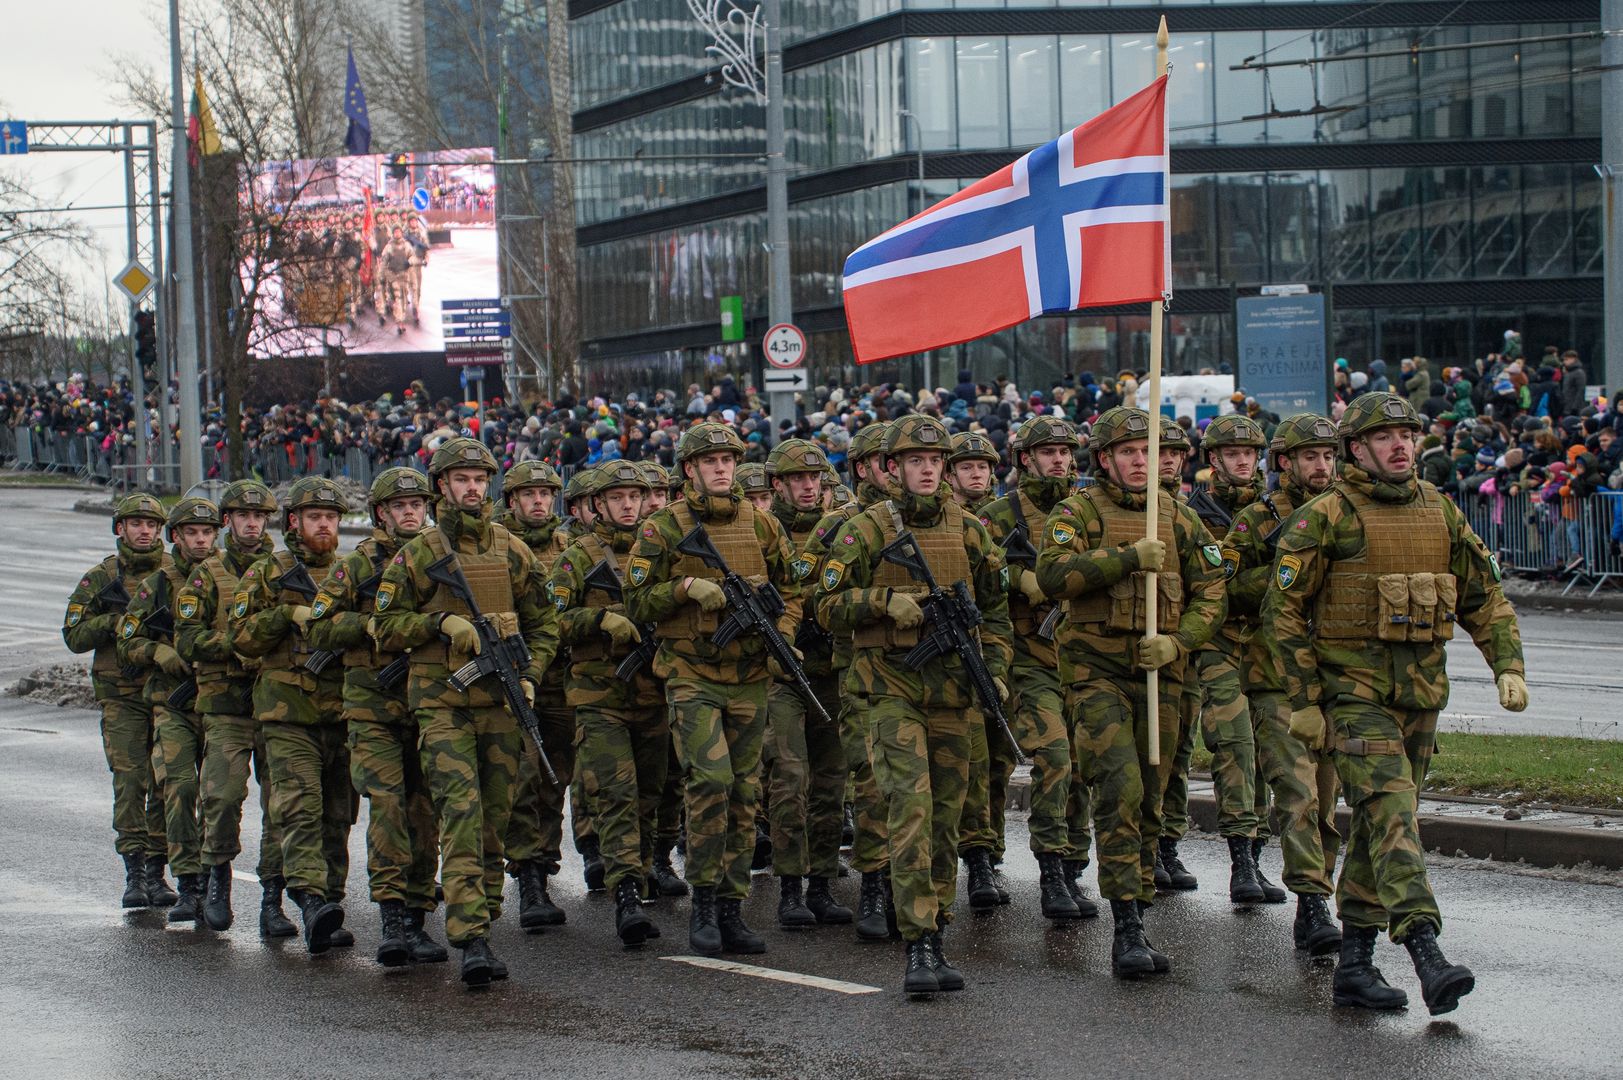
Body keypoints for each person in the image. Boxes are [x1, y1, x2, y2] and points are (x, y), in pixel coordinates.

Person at [1265, 392, 1527, 1016]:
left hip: (1421, 696)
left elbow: (1484, 596)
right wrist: (1304, 700)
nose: (1401, 445)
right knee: (1392, 813)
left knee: (1381, 830)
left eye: (1407, 434)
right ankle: (1425, 949)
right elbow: (1284, 616)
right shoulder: (1324, 518)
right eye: (1384, 437)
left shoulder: (1439, 510)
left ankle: (1354, 966)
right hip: (1353, 698)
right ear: (1357, 448)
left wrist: (1508, 665)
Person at [816, 415, 1012, 994]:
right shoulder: (865, 530)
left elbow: (995, 615)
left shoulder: (972, 532)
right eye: (915, 462)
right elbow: (823, 604)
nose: (926, 471)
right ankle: (918, 943)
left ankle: (938, 926)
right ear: (891, 469)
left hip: (954, 694)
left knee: (948, 818)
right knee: (912, 810)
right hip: (890, 689)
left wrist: (996, 672)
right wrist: (882, 602)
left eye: (935, 463)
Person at [1036, 407, 1225, 979]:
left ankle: (1138, 902)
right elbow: (1052, 575)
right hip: (1096, 675)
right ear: (1105, 460)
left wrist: (1179, 641)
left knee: (1152, 791)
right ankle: (1127, 926)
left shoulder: (1178, 517)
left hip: (1160, 675)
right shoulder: (1077, 512)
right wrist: (1125, 560)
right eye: (1128, 453)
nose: (1141, 462)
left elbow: (1212, 590)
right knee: (1118, 786)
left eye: (1147, 452)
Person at [374, 438, 560, 986]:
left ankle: (486, 919)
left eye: (479, 478)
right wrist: (438, 625)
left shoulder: (512, 550)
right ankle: (470, 937)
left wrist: (530, 675)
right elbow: (385, 626)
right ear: (442, 488)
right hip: (442, 704)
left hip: (501, 704)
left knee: (495, 819)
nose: (472, 488)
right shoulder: (420, 553)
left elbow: (545, 623)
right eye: (460, 479)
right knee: (461, 808)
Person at [623, 422, 800, 958]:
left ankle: (730, 905)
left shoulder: (763, 525)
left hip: (749, 677)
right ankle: (702, 899)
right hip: (691, 673)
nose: (721, 469)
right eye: (710, 461)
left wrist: (783, 633)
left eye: (727, 460)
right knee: (710, 781)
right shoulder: (662, 528)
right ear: (689, 471)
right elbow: (636, 602)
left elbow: (791, 589)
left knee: (745, 792)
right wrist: (682, 588)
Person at [306, 467, 447, 967]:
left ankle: (416, 916)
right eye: (399, 506)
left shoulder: (441, 559)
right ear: (381, 514)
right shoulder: (359, 564)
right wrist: (375, 626)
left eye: (417, 505)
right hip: (371, 705)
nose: (410, 513)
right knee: (387, 807)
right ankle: (391, 919)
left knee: (424, 809)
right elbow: (321, 626)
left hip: (430, 702)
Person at [970, 416, 1095, 921]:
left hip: (1081, 655)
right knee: (1054, 756)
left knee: (1082, 763)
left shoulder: (1086, 511)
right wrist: (1020, 578)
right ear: (1026, 459)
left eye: (1066, 452)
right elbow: (974, 577)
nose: (1059, 460)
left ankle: (1073, 861)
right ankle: (1048, 867)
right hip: (1025, 657)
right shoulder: (999, 516)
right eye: (1048, 452)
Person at [1229, 415, 1344, 957]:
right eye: (1310, 457)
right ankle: (1314, 901)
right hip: (1275, 676)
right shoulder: (1256, 520)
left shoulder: (1347, 514)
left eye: (1328, 456)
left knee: (1325, 800)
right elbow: (1225, 587)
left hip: (1337, 678)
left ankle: (1313, 893)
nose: (1321, 466)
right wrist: (1286, 573)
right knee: (1296, 793)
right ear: (1285, 463)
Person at [231, 477, 355, 955]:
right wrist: (285, 615)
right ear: (295, 523)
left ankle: (332, 901)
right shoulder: (269, 572)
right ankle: (306, 898)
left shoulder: (350, 571)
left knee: (338, 815)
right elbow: (240, 638)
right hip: (286, 714)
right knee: (298, 807)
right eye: (314, 517)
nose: (324, 525)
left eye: (331, 518)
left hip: (342, 712)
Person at [548, 462, 670, 945]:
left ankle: (638, 873)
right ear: (597, 505)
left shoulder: (661, 551)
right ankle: (625, 893)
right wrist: (601, 618)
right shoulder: (578, 557)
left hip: (654, 692)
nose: (626, 505)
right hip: (600, 697)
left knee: (649, 795)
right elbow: (551, 619)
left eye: (634, 497)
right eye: (616, 497)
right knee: (616, 794)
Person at [174, 479, 294, 937]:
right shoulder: (208, 574)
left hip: (277, 703)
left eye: (259, 517)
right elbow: (187, 639)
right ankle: (216, 879)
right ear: (228, 521)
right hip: (226, 706)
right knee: (221, 798)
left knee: (281, 805)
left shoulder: (283, 570)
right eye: (243, 517)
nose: (251, 524)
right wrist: (236, 643)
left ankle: (272, 898)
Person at [799, 420, 895, 940]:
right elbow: (809, 591)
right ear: (863, 469)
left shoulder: (939, 522)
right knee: (861, 782)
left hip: (924, 675)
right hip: (854, 671)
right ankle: (868, 886)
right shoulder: (838, 526)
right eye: (887, 461)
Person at [63, 493, 174, 909]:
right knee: (131, 781)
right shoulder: (101, 578)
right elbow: (73, 636)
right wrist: (115, 623)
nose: (144, 531)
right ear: (120, 529)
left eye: (151, 525)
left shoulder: (174, 574)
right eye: (135, 524)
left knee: (169, 782)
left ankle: (158, 870)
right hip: (121, 696)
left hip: (167, 693)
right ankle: (134, 870)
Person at [1180, 413, 1273, 903]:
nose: (1243, 461)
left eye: (1251, 454)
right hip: (1216, 642)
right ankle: (1240, 859)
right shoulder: (1194, 515)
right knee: (1233, 744)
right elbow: (1216, 588)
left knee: (1266, 748)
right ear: (1214, 460)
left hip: (1269, 643)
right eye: (1233, 454)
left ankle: (1258, 854)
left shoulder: (1275, 510)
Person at [117, 497, 222, 923]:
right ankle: (188, 882)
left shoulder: (229, 576)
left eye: (207, 532)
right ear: (175, 537)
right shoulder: (156, 585)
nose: (200, 539)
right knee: (178, 787)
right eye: (192, 532)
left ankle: (218, 882)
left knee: (220, 796)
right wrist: (157, 650)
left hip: (220, 703)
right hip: (173, 704)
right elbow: (127, 640)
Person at [762, 438, 850, 929]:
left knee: (831, 783)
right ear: (778, 484)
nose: (809, 487)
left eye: (815, 478)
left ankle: (821, 883)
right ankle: (790, 887)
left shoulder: (842, 529)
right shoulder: (763, 531)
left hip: (830, 669)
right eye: (798, 479)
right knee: (790, 778)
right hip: (781, 675)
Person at [494, 460, 576, 931]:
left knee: (555, 776)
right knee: (523, 775)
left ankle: (543, 860)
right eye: (530, 495)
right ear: (513, 501)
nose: (540, 502)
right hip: (512, 679)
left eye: (546, 494)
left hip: (561, 680)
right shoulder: (498, 549)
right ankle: (526, 874)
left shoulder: (570, 549)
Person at [945, 430, 999, 512]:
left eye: (982, 467)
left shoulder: (1008, 511)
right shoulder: (938, 516)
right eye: (966, 468)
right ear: (948, 476)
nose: (976, 475)